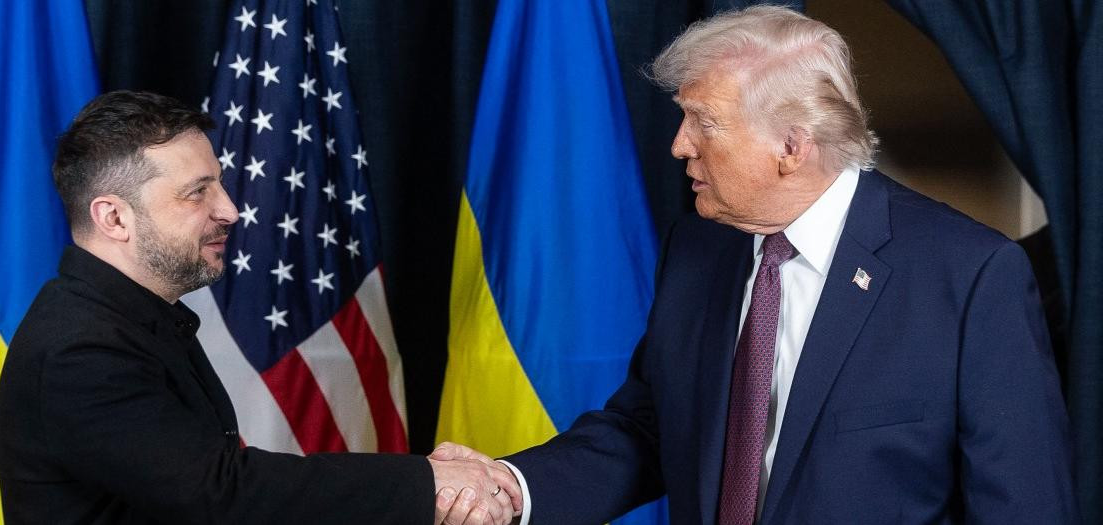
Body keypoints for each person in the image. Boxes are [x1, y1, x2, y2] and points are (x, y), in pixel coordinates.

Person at [432, 5, 1078, 524]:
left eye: (702, 122)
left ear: (792, 146)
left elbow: (1024, 507)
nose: (680, 144)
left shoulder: (969, 280)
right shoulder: (696, 250)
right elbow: (645, 432)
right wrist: (512, 487)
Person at [0, 90, 519, 525]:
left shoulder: (133, 318)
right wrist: (426, 481)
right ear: (113, 218)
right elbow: (222, 492)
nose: (230, 209)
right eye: (197, 193)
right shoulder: (80, 348)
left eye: (218, 184)